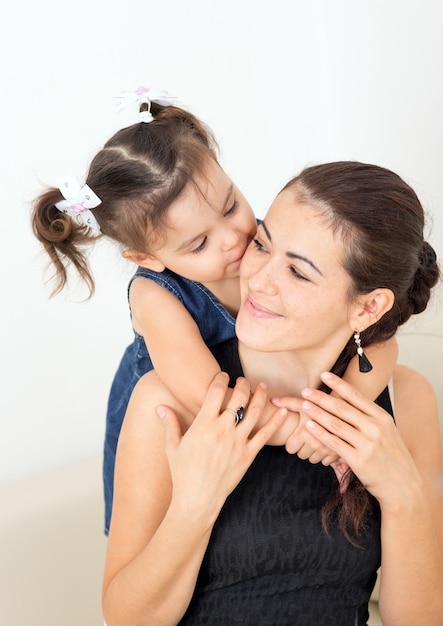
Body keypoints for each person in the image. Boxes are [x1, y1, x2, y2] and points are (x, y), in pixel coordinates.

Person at [31, 91, 397, 533]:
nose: (233, 240)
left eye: (230, 207)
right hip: (178, 427)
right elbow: (217, 405)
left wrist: (337, 413)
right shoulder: (156, 297)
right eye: (199, 243)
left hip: (264, 411)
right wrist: (304, 428)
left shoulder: (275, 243)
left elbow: (379, 337)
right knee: (163, 531)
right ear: (147, 258)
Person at [102, 161, 443, 626]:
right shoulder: (169, 400)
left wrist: (402, 493)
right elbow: (126, 619)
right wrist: (195, 504)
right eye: (262, 244)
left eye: (299, 273)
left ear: (368, 306)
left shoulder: (405, 400)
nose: (258, 280)